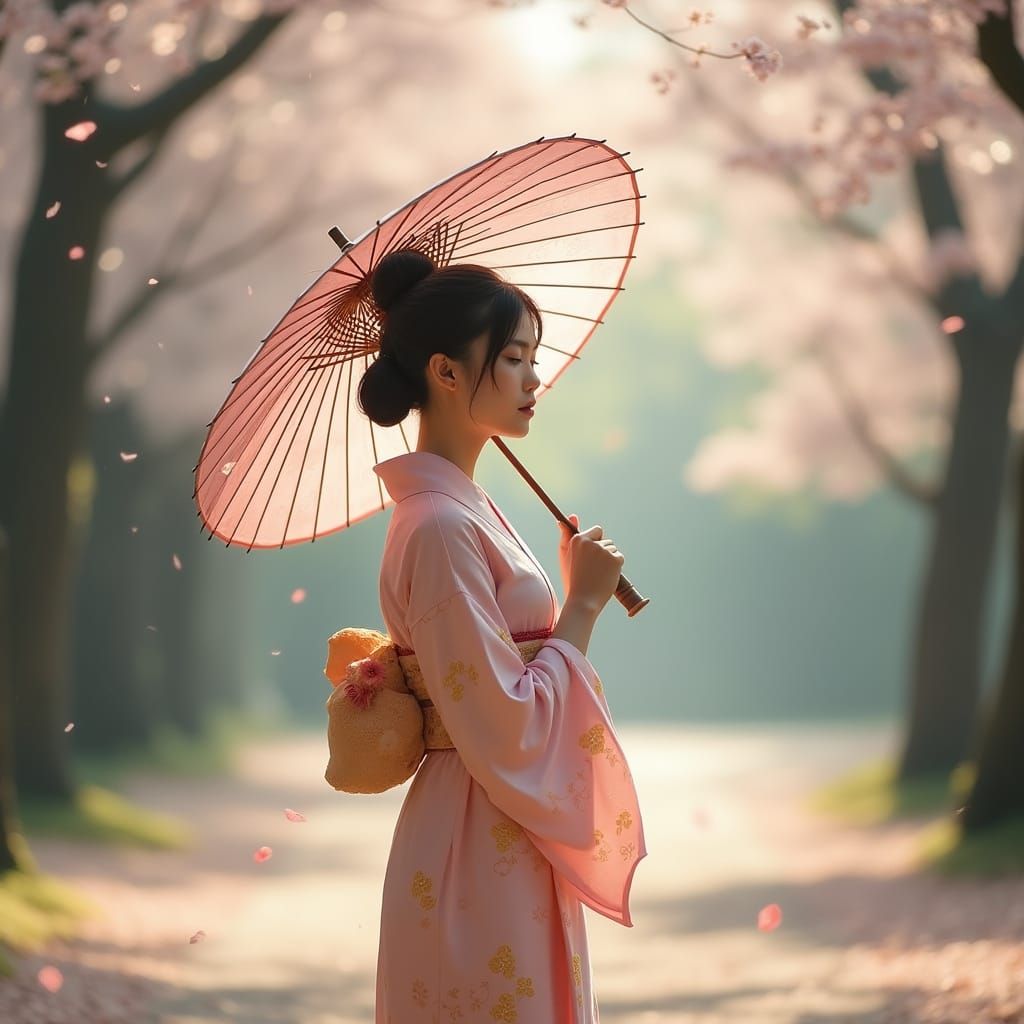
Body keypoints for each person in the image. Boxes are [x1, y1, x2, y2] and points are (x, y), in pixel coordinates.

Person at [358, 249, 646, 1023]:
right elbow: (504, 721)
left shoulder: (462, 512)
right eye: (513, 358)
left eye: (534, 358)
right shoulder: (440, 527)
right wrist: (581, 606)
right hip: (475, 832)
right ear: (447, 374)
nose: (532, 379)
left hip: (493, 823)